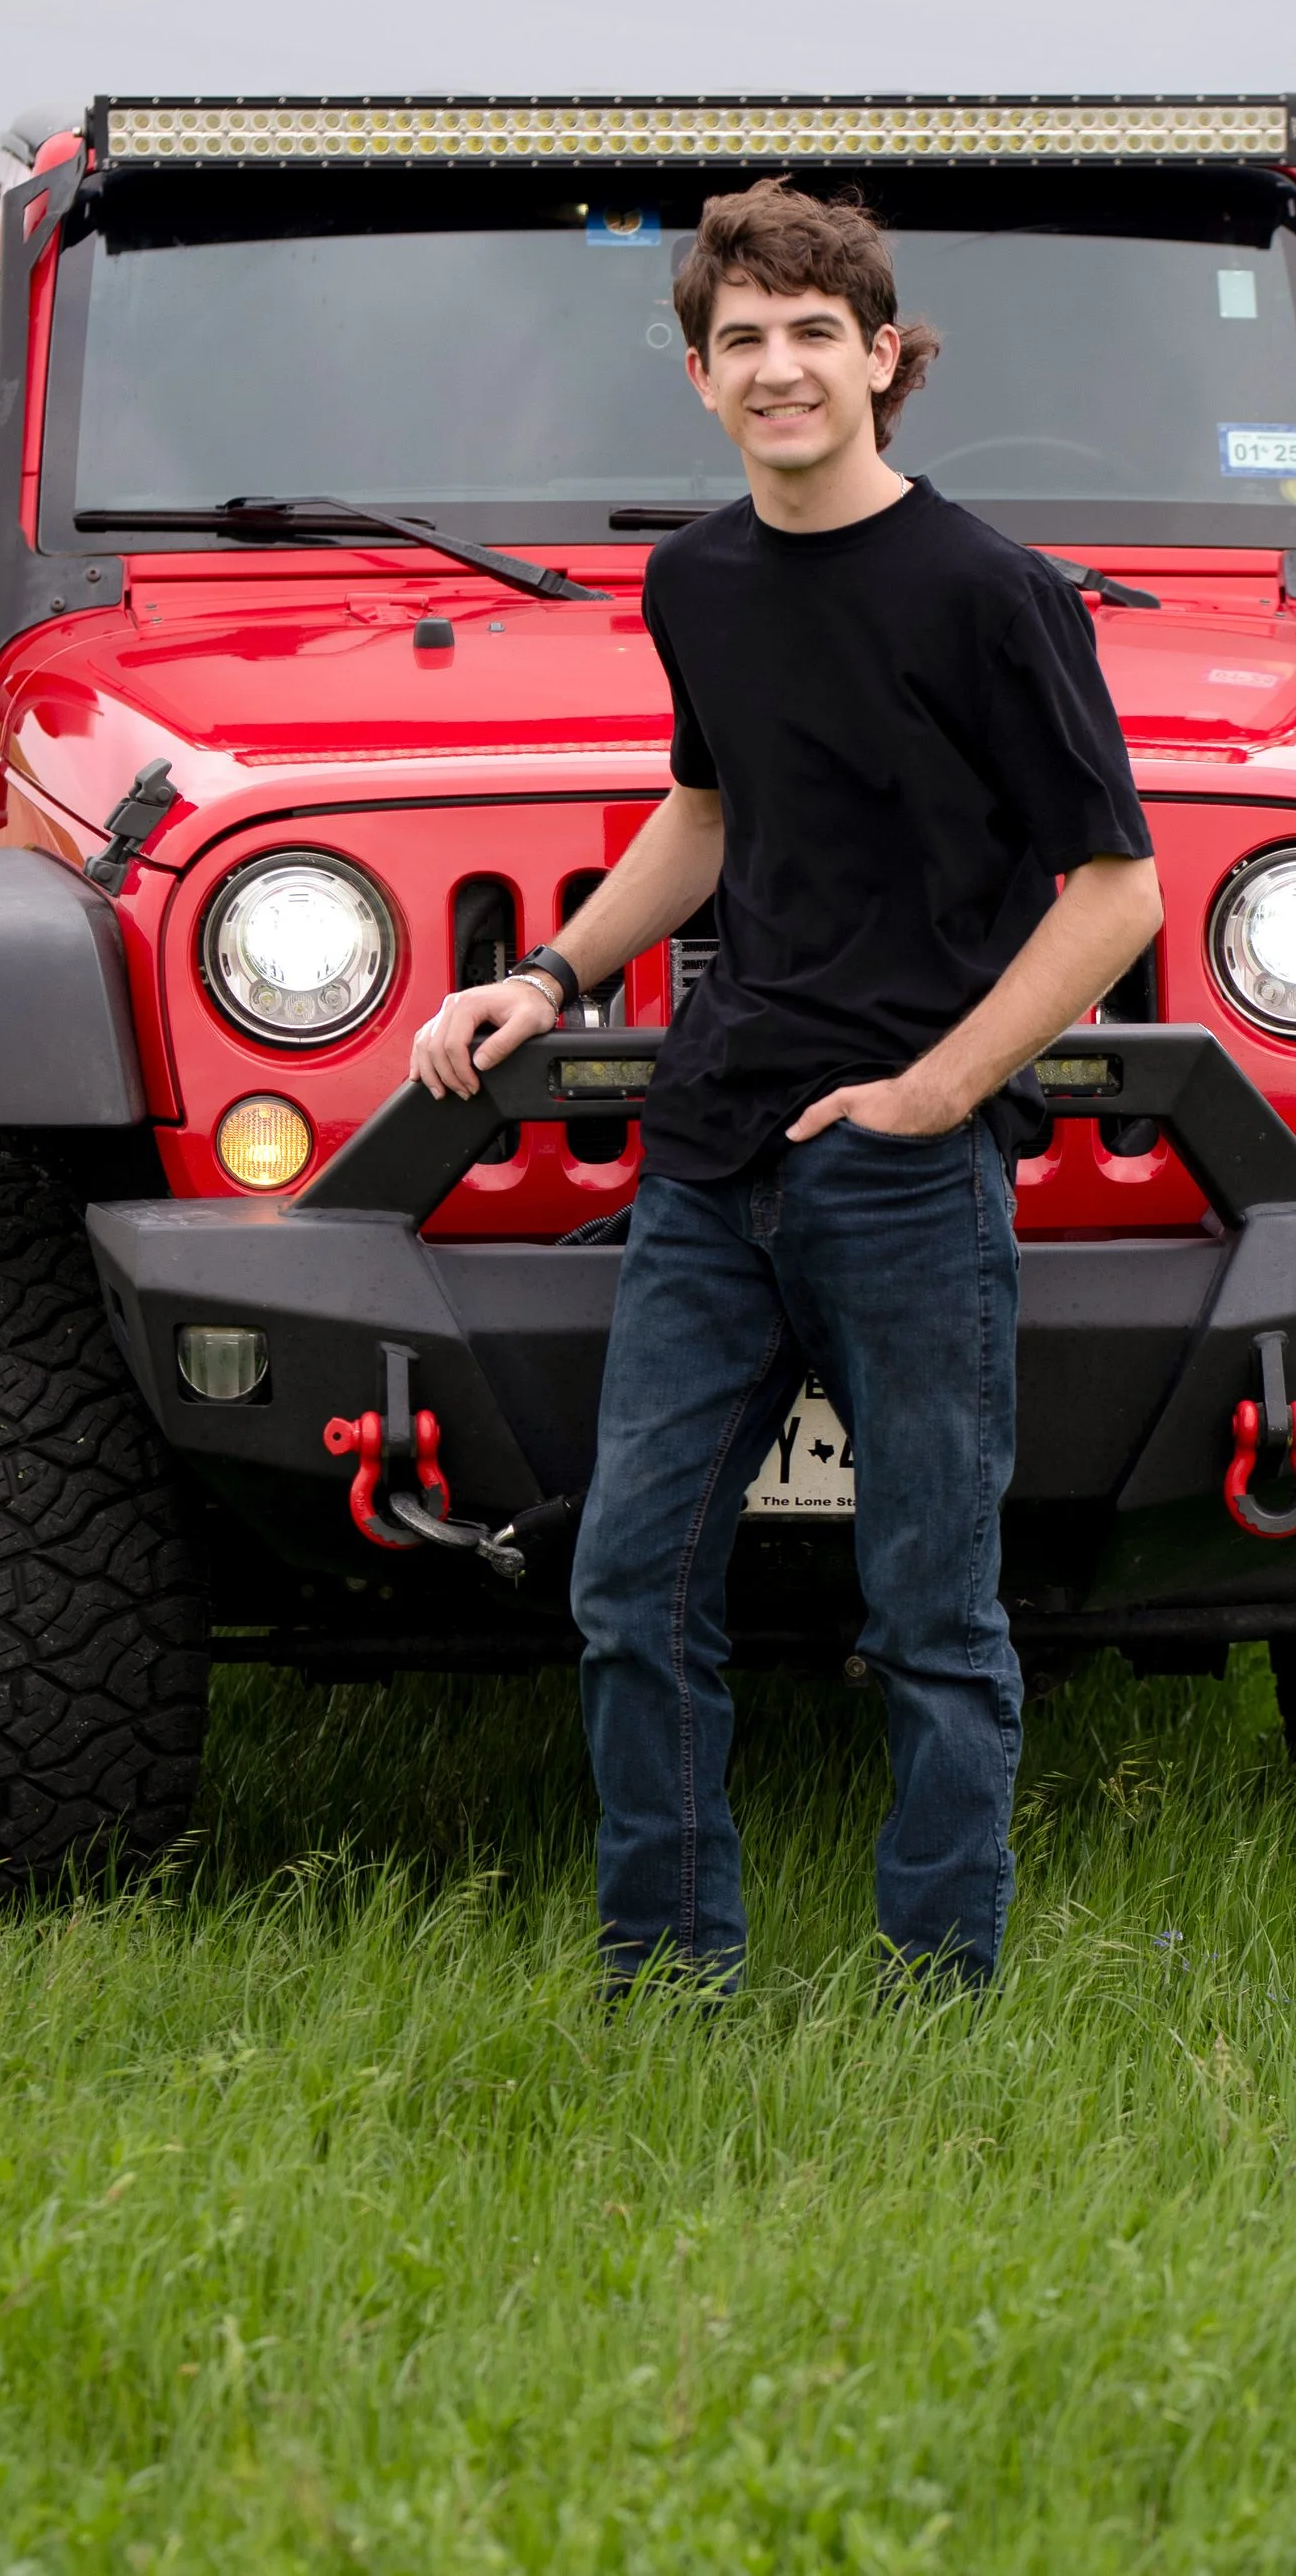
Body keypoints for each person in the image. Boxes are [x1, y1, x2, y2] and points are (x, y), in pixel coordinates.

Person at [409, 179, 1161, 1988]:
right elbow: (710, 810)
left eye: (814, 332)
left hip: (899, 1173)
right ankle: (667, 1971)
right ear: (697, 375)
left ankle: (934, 1984)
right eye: (740, 338)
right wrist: (545, 976)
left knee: (930, 1614)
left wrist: (933, 1092)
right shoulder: (696, 581)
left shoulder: (995, 594)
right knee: (628, 1590)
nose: (778, 367)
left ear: (884, 356)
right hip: (711, 1149)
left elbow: (1117, 890)